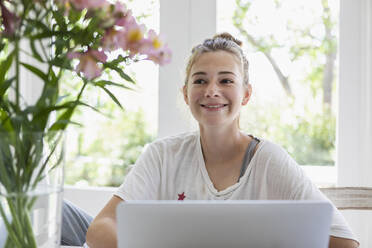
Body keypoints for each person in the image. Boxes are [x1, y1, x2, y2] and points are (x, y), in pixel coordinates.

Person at [85, 33, 360, 248]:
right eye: (200, 81)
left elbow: (345, 241)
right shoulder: (162, 155)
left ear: (246, 94)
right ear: (185, 93)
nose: (212, 91)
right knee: (62, 214)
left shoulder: (269, 161)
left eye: (226, 81)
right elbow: (99, 229)